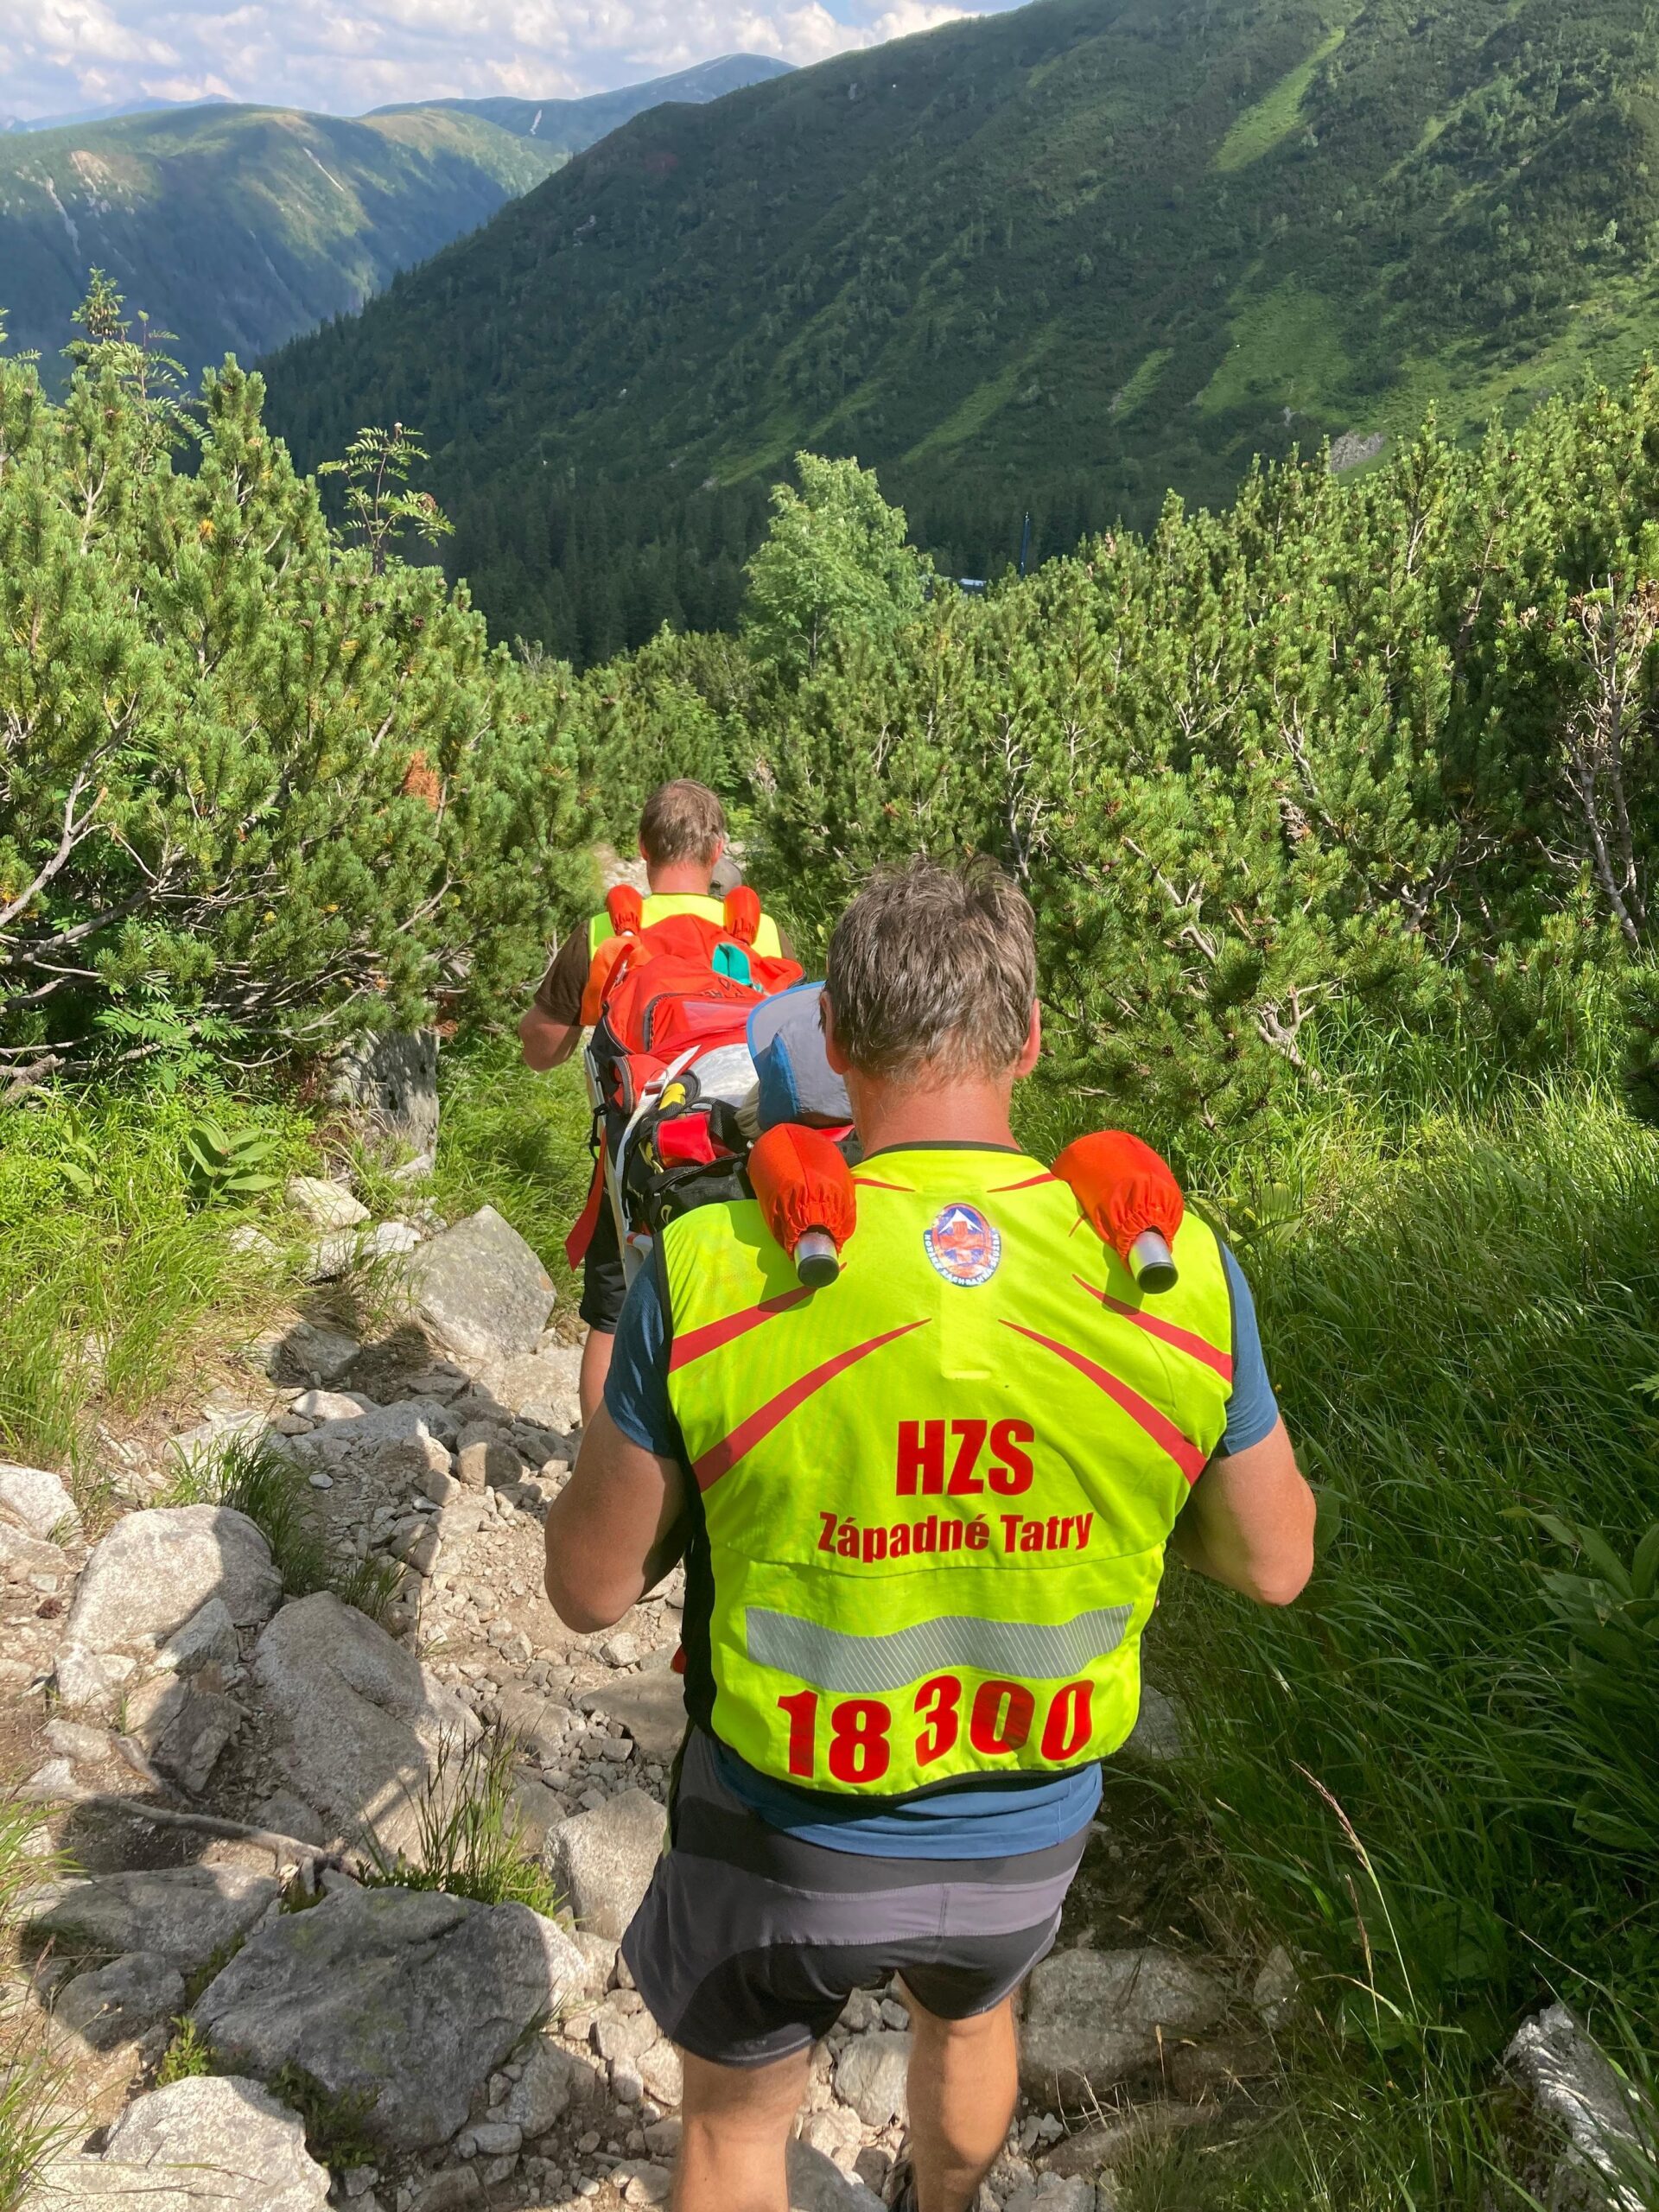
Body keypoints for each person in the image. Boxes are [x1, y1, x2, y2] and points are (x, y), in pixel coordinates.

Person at [543, 858, 1315, 2212]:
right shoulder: (1175, 1268)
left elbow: (588, 1591)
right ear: (1031, 1039)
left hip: (785, 1822)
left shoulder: (717, 1264)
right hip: (1028, 1821)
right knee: (971, 2016)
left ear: (835, 1042)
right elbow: (1274, 1561)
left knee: (736, 2125)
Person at [519, 779, 793, 1423]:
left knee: (613, 1318)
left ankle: (602, 1462)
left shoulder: (604, 933)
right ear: (717, 851)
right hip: (741, 1146)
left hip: (638, 1157)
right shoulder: (761, 934)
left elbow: (542, 1050)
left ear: (643, 848)